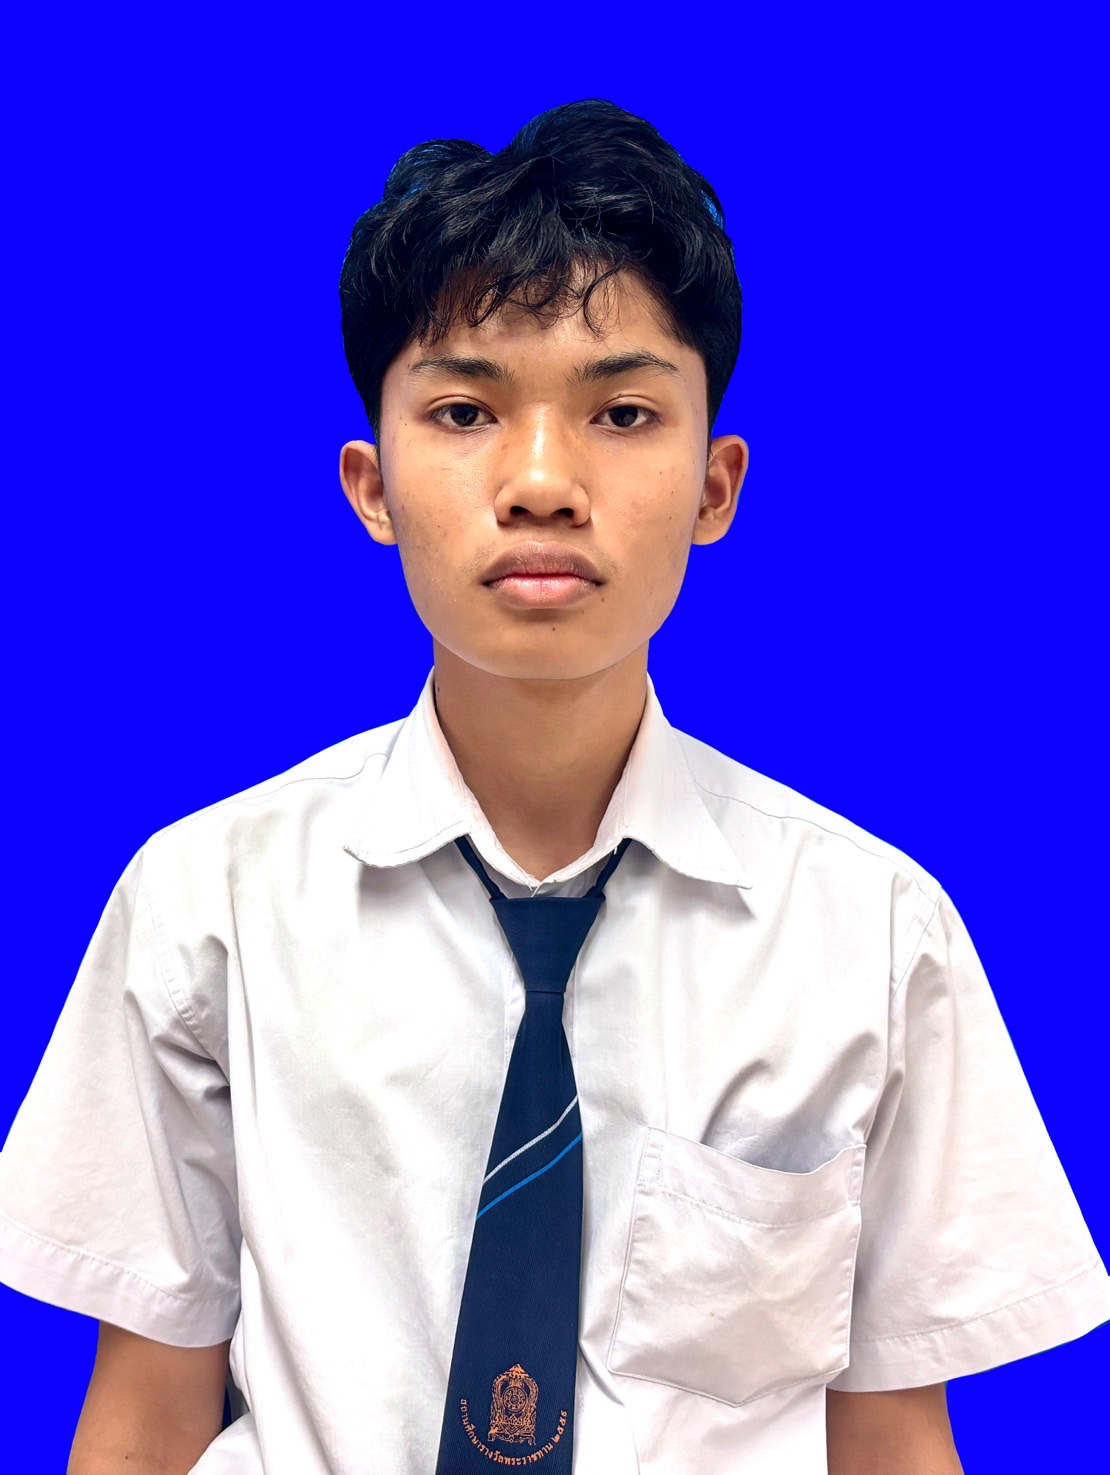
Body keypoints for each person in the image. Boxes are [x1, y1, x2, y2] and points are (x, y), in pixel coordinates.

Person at [0, 98, 1107, 1475]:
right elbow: (145, 1412)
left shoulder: (871, 937)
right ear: (372, 485)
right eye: (464, 411)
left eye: (621, 413)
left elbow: (889, 1438)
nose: (539, 482)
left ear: (714, 487)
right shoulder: (208, 906)